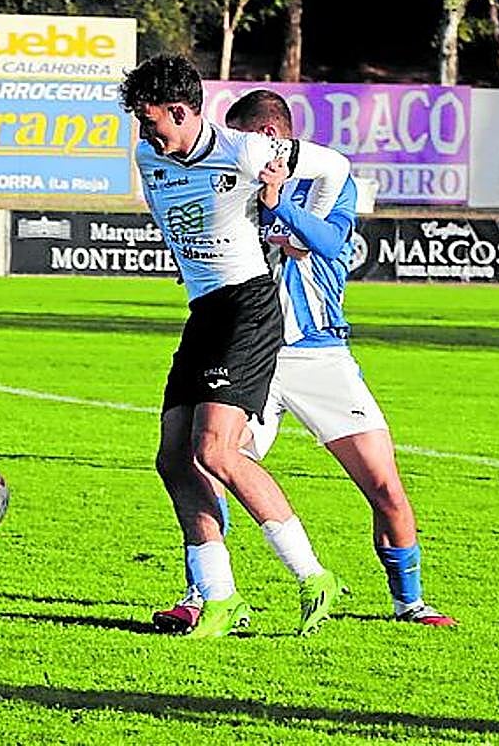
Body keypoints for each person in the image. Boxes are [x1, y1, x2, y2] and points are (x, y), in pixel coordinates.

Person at [154, 89, 455, 632]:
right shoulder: (231, 179)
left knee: (384, 486)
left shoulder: (327, 182)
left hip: (319, 354)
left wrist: (282, 208)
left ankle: (410, 602)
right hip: (248, 350)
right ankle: (204, 593)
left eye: (244, 136)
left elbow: (331, 243)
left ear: (270, 137)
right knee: (207, 463)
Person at [120, 55, 350, 638]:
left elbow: (337, 168)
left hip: (248, 308)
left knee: (217, 451)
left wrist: (288, 218)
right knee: (173, 458)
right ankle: (221, 598)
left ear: (181, 111)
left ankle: (313, 575)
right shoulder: (149, 156)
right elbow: (171, 213)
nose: (146, 133)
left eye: (152, 120)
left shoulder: (246, 150)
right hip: (205, 313)